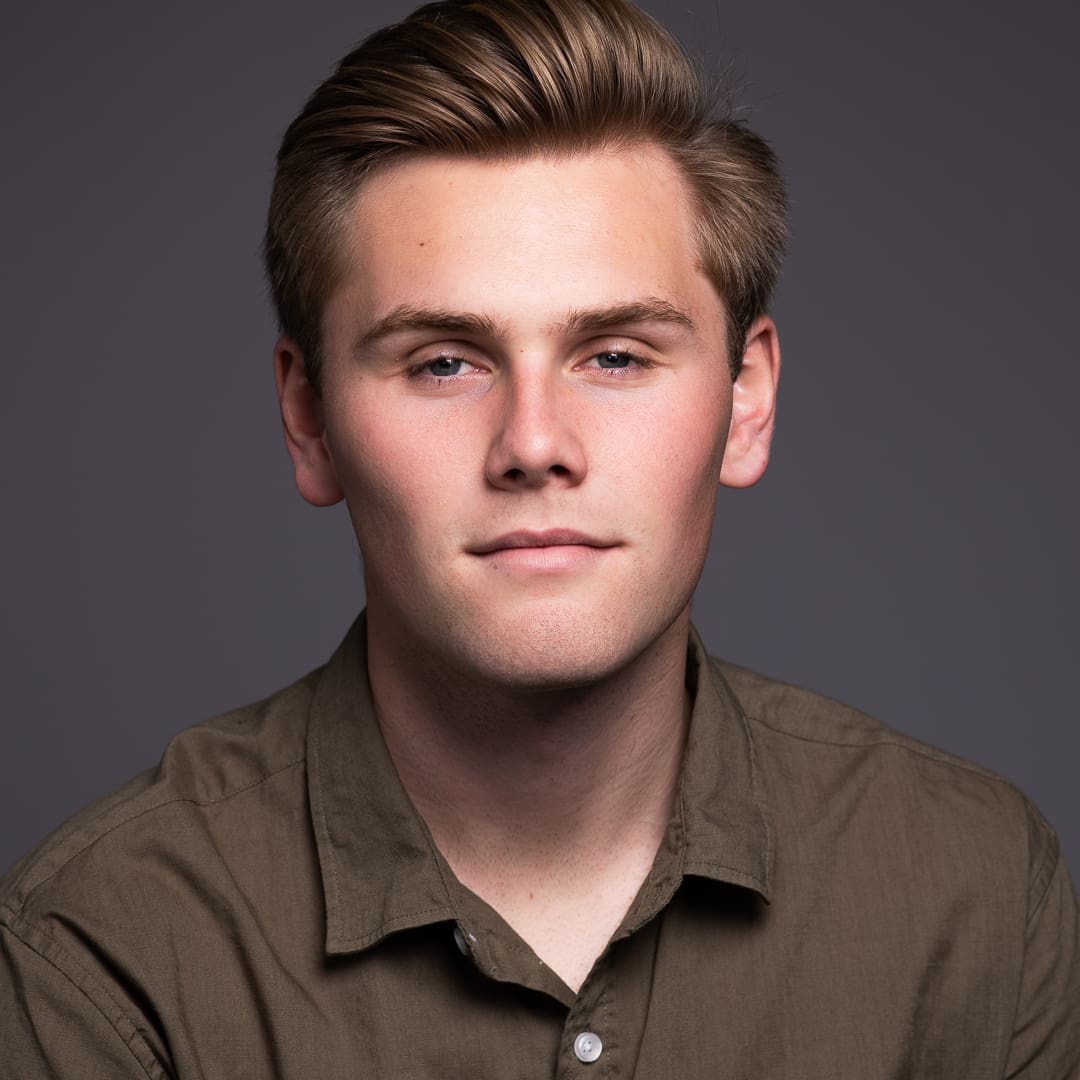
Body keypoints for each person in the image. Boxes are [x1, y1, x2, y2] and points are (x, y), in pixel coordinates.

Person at [1, 0, 1076, 1075]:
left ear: (747, 399)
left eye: (614, 355)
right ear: (310, 417)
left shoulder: (974, 890)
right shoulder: (98, 947)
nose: (534, 443)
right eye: (442, 362)